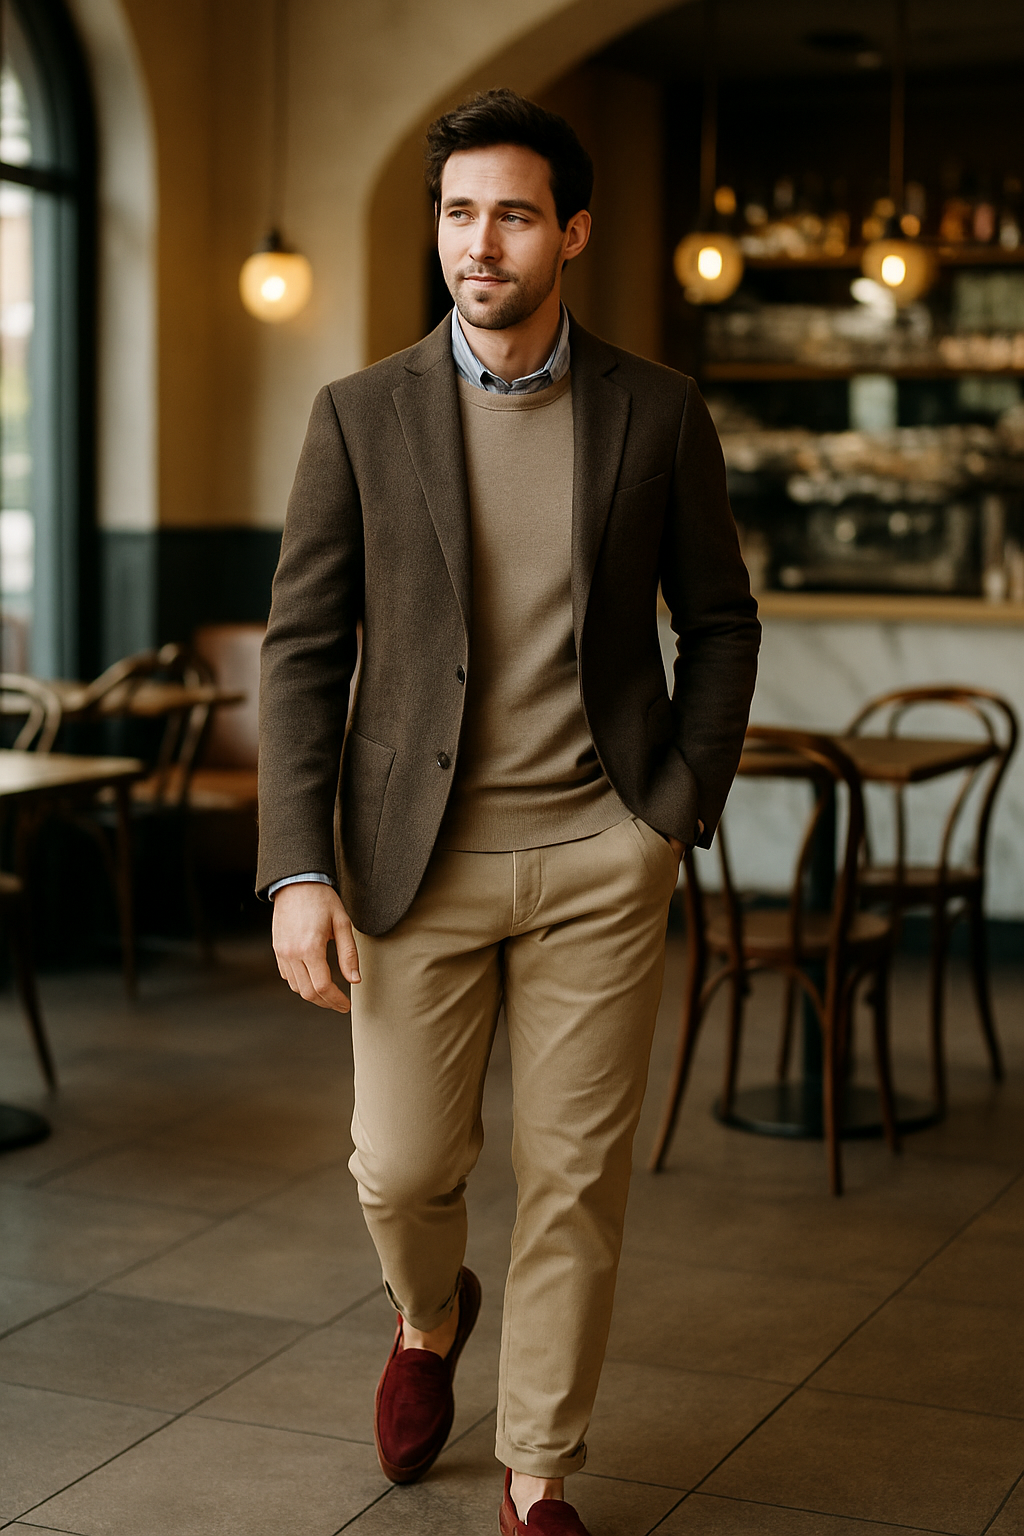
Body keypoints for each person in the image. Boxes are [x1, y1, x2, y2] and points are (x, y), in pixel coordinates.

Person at [259, 88, 760, 1536]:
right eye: (460, 212)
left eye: (515, 214)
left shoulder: (657, 411)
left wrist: (671, 812)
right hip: (415, 864)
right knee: (402, 1166)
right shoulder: (359, 416)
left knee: (576, 1180)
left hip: (605, 855)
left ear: (572, 234)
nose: (481, 242)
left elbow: (720, 624)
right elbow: (302, 651)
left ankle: (539, 1474)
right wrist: (298, 866)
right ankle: (431, 1321)